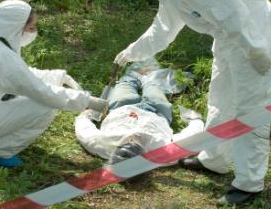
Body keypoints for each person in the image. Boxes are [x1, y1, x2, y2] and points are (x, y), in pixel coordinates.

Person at [113, 0, 271, 205]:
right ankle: (215, 159)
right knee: (220, 98)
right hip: (229, 36)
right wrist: (132, 51)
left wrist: (255, 48)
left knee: (251, 106)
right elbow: (163, 29)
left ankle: (250, 183)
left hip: (252, 31)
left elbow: (233, 10)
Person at [0, 0, 108, 168]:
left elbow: (25, 75)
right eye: (30, 28)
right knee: (45, 105)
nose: (34, 32)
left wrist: (59, 76)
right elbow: (42, 92)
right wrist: (87, 101)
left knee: (43, 99)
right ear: (16, 28)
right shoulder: (3, 58)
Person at [75, 61, 204, 164]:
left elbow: (85, 132)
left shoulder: (102, 146)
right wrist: (194, 120)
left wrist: (86, 116)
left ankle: (137, 73)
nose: (132, 139)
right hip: (157, 111)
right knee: (153, 86)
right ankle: (150, 77)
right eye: (135, 144)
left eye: (126, 142)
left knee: (126, 82)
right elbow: (191, 137)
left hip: (123, 106)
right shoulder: (162, 152)